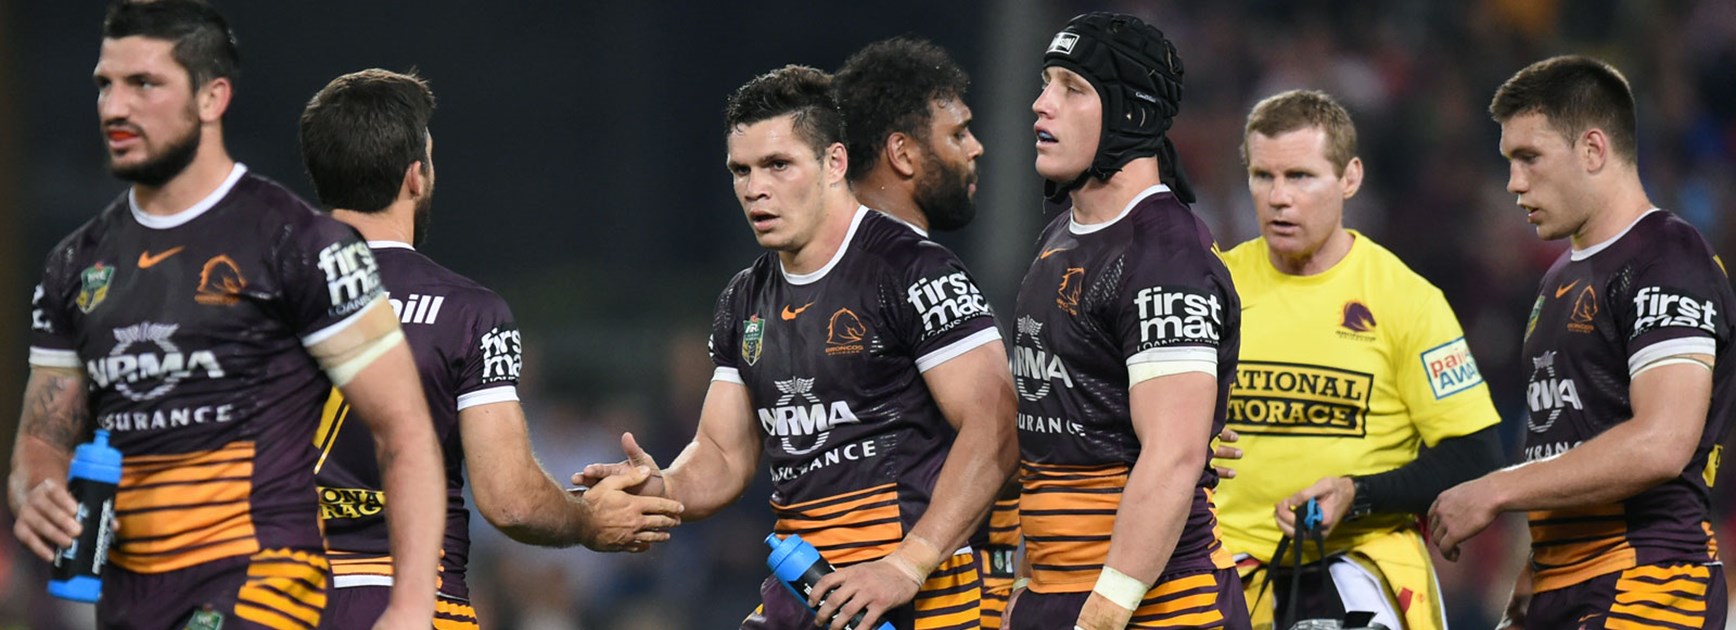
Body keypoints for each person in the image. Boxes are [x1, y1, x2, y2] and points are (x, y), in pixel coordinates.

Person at [8, 3, 445, 629]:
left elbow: (404, 430)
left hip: (262, 589)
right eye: (105, 84)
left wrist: (410, 608)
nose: (114, 107)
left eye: (144, 83)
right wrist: (39, 488)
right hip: (129, 604)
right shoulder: (74, 265)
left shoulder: (301, 244)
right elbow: (41, 438)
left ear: (213, 97)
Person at [578, 65, 1016, 630]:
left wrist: (906, 564)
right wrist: (660, 486)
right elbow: (722, 454)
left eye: (778, 165)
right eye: (741, 170)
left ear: (835, 163)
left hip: (913, 597)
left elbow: (996, 424)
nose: (754, 188)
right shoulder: (745, 297)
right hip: (804, 589)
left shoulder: (911, 267)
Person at [296, 68, 686, 629]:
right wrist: (588, 520)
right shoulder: (467, 313)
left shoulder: (247, 303)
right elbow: (510, 501)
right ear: (416, 177)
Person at [1429, 54, 1734, 629]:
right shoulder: (1557, 280)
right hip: (1565, 585)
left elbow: (1663, 441)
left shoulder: (1668, 257)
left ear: (1593, 149)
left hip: (1650, 584)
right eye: (1509, 161)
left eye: (1529, 158)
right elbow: (1568, 438)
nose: (1514, 182)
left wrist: (1497, 489)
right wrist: (1536, 570)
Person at [1214, 89, 1503, 629]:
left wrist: (1358, 493)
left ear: (1350, 178)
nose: (1278, 197)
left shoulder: (1407, 300)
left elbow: (1475, 453)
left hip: (1360, 562)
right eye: (1262, 176)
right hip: (1225, 563)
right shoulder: (1212, 290)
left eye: (1300, 176)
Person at [1005, 12, 1249, 630]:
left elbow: (1174, 456)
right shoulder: (1061, 237)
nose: (1041, 104)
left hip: (1156, 605)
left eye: (1072, 88)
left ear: (1132, 113)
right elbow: (1054, 432)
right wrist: (1030, 584)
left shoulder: (1164, 256)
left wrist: (1107, 608)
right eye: (1046, 82)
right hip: (1059, 589)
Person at [832, 36, 1021, 628]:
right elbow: (1001, 424)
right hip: (924, 598)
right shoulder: (917, 268)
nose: (976, 147)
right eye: (958, 133)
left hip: (849, 592)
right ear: (903, 153)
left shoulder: (793, 275)